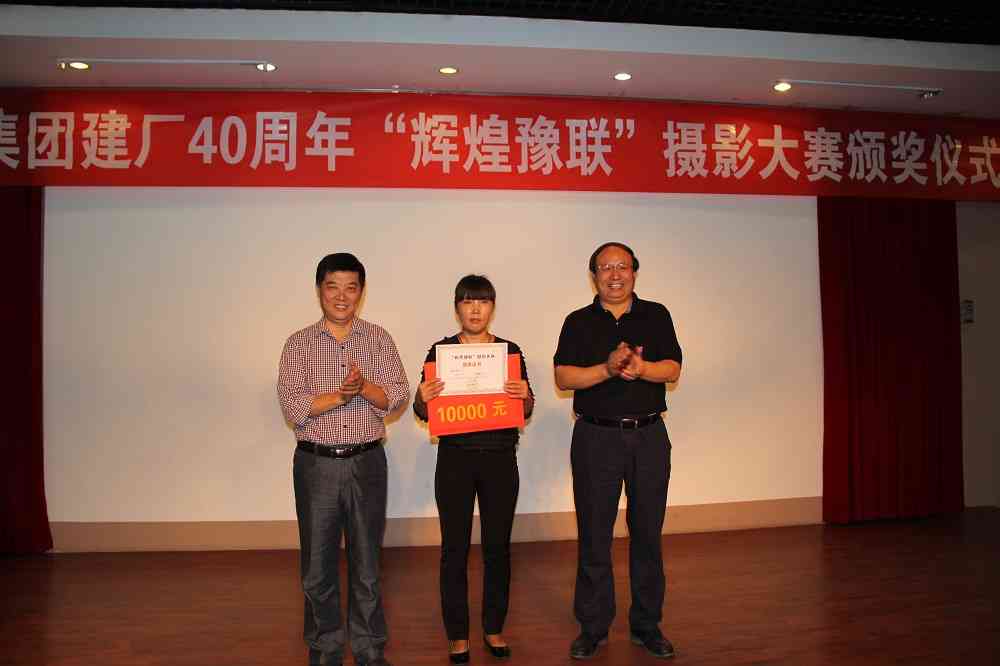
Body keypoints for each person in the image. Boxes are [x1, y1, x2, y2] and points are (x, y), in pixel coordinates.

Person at [277, 252, 410, 666]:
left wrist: (364, 387)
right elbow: (293, 407)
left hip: (366, 463)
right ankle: (325, 646)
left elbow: (398, 396)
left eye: (351, 287)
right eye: (332, 286)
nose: (341, 296)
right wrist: (340, 396)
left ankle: (369, 647)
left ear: (361, 292)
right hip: (315, 465)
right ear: (319, 290)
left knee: (367, 563)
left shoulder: (379, 339)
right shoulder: (298, 343)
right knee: (318, 566)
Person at [553, 242, 683, 660]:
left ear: (634, 272)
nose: (614, 275)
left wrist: (642, 369)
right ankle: (593, 627)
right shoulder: (577, 321)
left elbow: (673, 368)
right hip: (596, 437)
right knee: (594, 535)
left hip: (649, 437)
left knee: (647, 535)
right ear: (594, 275)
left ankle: (647, 625)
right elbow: (563, 377)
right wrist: (607, 369)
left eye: (622, 267)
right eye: (605, 267)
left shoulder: (656, 315)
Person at [413, 275, 534, 664]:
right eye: (468, 302)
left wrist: (525, 396)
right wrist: (422, 397)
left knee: (498, 547)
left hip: (500, 459)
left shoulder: (508, 351)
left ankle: (494, 627)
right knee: (454, 548)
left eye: (482, 302)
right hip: (455, 460)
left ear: (492, 307)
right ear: (457, 308)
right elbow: (422, 410)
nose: (475, 309)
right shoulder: (441, 351)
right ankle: (458, 634)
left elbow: (526, 407)